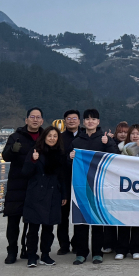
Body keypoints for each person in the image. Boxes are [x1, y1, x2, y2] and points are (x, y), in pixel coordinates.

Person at [69, 108, 119, 265]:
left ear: (98, 122)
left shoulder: (104, 139)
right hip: (80, 186)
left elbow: (115, 157)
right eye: (87, 119)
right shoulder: (77, 141)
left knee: (97, 221)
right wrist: (69, 157)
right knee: (81, 221)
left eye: (93, 119)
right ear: (84, 122)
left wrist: (109, 143)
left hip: (98, 185)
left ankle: (97, 252)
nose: (90, 121)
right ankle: (81, 252)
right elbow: (68, 163)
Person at [1, 107, 44, 264]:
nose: (35, 119)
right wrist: (13, 150)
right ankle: (12, 251)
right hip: (17, 184)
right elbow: (5, 157)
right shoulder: (15, 137)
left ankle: (28, 249)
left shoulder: (44, 137)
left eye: (38, 117)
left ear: (42, 120)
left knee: (32, 221)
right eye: (32, 117)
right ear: (26, 120)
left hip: (36, 184)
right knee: (13, 221)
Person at [22, 126, 67, 268]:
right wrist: (33, 160)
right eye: (49, 136)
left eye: (55, 136)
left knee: (49, 228)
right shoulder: (35, 151)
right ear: (44, 137)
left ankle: (45, 255)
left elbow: (62, 177)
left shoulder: (60, 154)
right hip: (36, 194)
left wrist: (64, 194)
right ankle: (31, 256)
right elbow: (25, 173)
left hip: (54, 194)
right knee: (33, 229)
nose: (52, 138)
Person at [111, 124, 139, 260]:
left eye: (137, 134)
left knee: (138, 220)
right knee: (123, 219)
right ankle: (121, 249)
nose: (135, 136)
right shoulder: (121, 148)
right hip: (124, 188)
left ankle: (136, 248)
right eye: (132, 134)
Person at [57, 109, 81, 256]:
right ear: (65, 121)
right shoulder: (59, 138)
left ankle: (76, 242)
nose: (71, 120)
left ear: (79, 121)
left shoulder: (85, 137)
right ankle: (63, 245)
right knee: (62, 216)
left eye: (74, 118)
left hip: (81, 182)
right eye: (68, 118)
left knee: (79, 215)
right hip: (64, 180)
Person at [103, 121, 129, 255]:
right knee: (110, 215)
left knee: (124, 216)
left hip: (127, 186)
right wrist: (109, 142)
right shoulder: (108, 143)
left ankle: (123, 246)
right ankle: (108, 243)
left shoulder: (132, 147)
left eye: (125, 132)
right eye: (120, 132)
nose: (123, 134)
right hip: (111, 185)